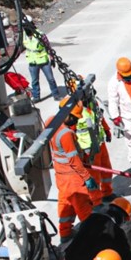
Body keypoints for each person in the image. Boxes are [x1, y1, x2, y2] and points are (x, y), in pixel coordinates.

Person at [49, 97, 97, 242]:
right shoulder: (66, 134)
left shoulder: (51, 121)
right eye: (75, 118)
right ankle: (94, 237)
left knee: (66, 205)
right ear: (67, 114)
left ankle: (65, 233)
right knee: (84, 207)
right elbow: (74, 159)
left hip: (61, 174)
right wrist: (87, 177)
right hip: (72, 176)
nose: (76, 121)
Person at [64, 198, 131, 260]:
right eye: (125, 220)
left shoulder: (91, 217)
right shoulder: (117, 232)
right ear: (121, 217)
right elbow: (126, 257)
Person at [75, 100, 114, 205]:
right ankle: (96, 201)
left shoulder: (92, 102)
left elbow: (99, 117)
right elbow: (71, 132)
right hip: (88, 149)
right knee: (93, 176)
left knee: (107, 169)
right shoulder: (74, 109)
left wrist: (106, 130)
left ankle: (107, 192)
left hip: (99, 143)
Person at [23, 21, 60, 101]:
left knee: (50, 79)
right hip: (32, 62)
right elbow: (20, 47)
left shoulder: (40, 34)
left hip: (43, 61)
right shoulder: (23, 36)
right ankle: (36, 97)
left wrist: (52, 58)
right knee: (34, 81)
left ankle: (56, 94)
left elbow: (48, 46)